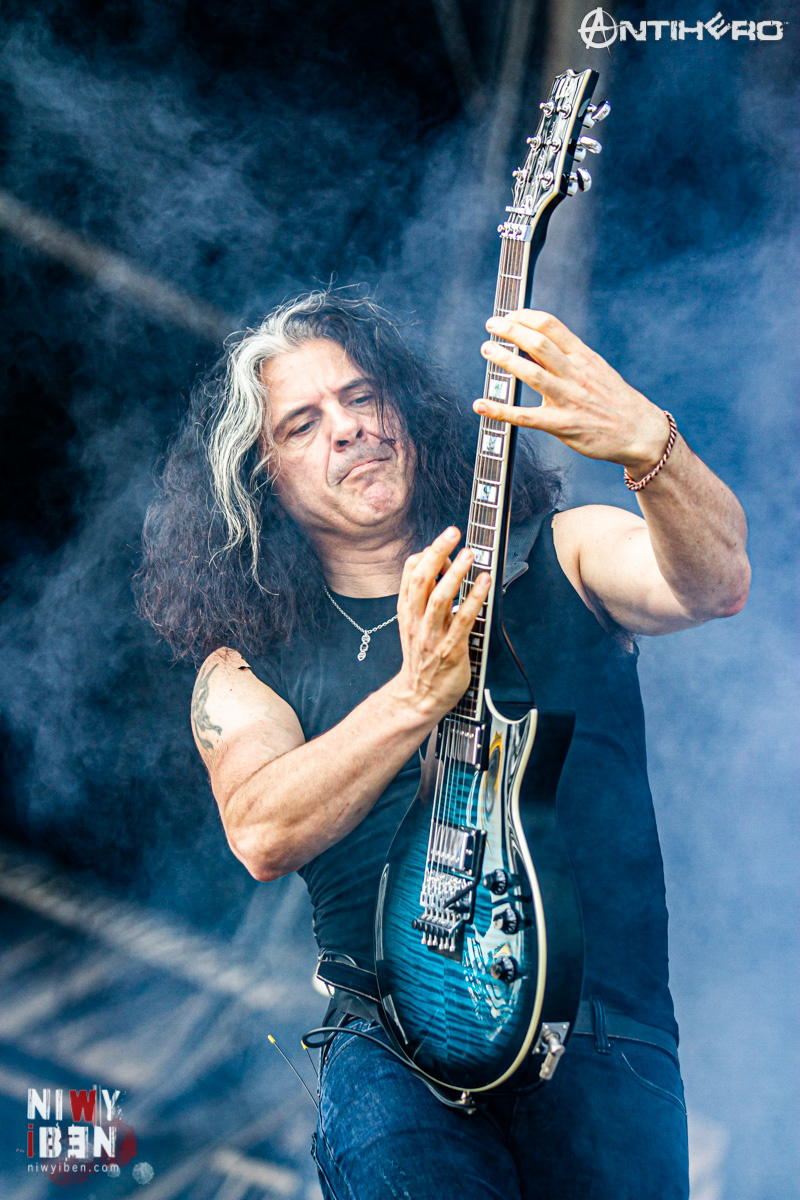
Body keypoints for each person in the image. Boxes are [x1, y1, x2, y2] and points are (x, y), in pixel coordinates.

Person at [138, 289, 750, 1199]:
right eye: (303, 424)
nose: (348, 428)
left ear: (409, 411)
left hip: (607, 1041)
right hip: (397, 1057)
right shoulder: (247, 668)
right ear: (265, 480)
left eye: (361, 396)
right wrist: (415, 697)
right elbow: (261, 831)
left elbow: (715, 583)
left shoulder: (564, 552)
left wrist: (648, 445)